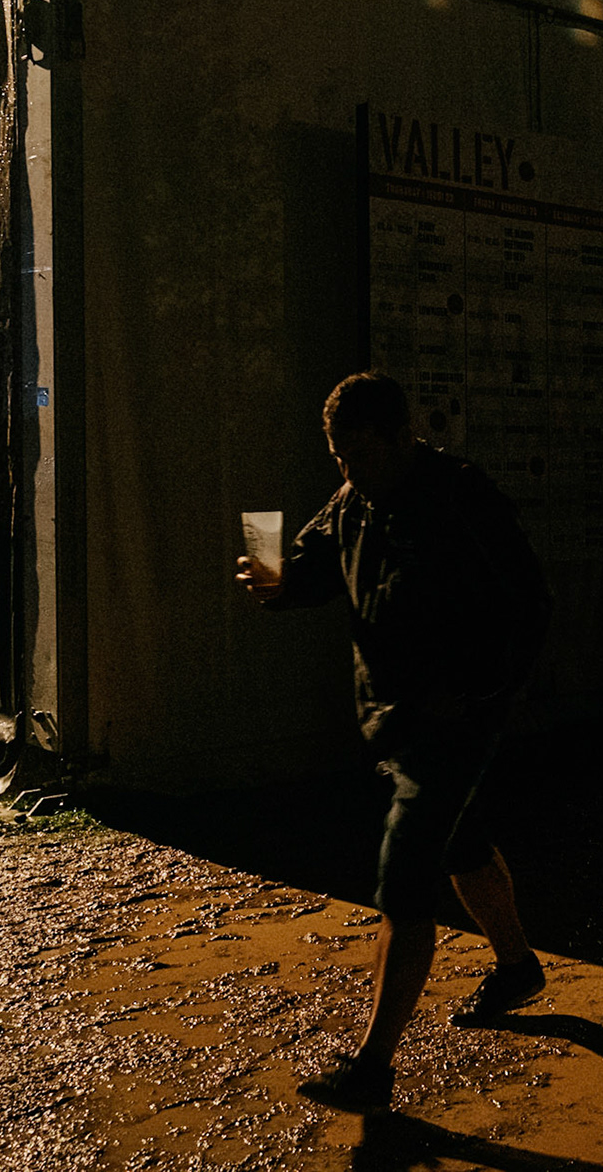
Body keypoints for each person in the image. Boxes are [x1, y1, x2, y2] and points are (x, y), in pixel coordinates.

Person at [235, 372, 552, 1111]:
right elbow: (314, 567)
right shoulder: (354, 501)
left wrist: (477, 688)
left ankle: (373, 1066)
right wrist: (275, 582)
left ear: (404, 436)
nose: (349, 473)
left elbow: (529, 603)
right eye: (340, 458)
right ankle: (517, 968)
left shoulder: (459, 496)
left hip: (456, 720)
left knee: (406, 873)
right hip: (400, 720)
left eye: (363, 455)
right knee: (461, 842)